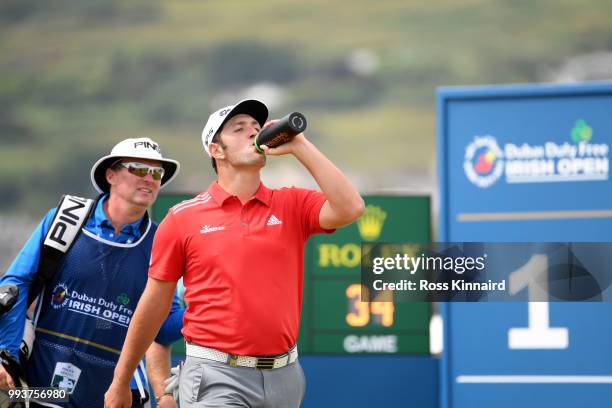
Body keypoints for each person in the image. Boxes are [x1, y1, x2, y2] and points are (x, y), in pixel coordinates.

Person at [104, 99, 364, 408]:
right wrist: (121, 381)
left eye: (256, 128)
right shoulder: (181, 218)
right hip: (215, 375)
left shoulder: (291, 204)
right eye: (239, 129)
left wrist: (300, 145)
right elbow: (154, 304)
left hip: (286, 376)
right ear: (216, 150)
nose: (253, 133)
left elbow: (351, 208)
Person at [0, 137, 184, 407]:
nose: (150, 179)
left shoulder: (162, 240)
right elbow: (16, 285)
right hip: (41, 387)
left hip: (111, 395)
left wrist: (208, 306)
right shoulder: (66, 218)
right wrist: (6, 355)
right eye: (138, 169)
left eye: (156, 173)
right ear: (111, 174)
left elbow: (163, 329)